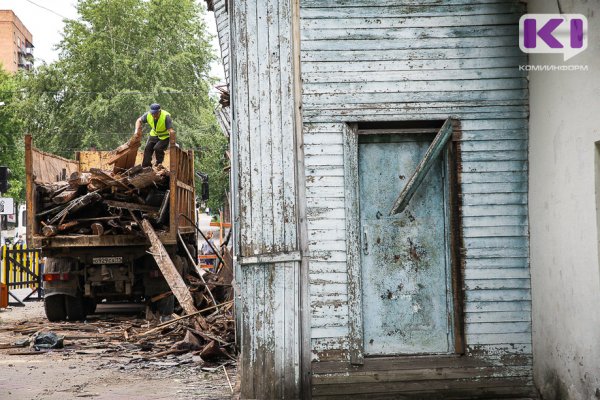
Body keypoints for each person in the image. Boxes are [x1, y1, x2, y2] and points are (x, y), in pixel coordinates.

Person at [134, 103, 175, 167]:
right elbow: (138, 120)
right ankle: (146, 166)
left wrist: (173, 142)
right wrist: (136, 131)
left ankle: (159, 164)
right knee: (148, 148)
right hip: (154, 134)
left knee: (157, 148)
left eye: (155, 113)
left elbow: (170, 130)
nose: (154, 115)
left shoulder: (166, 116)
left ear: (159, 111)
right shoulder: (148, 115)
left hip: (165, 136)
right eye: (152, 113)